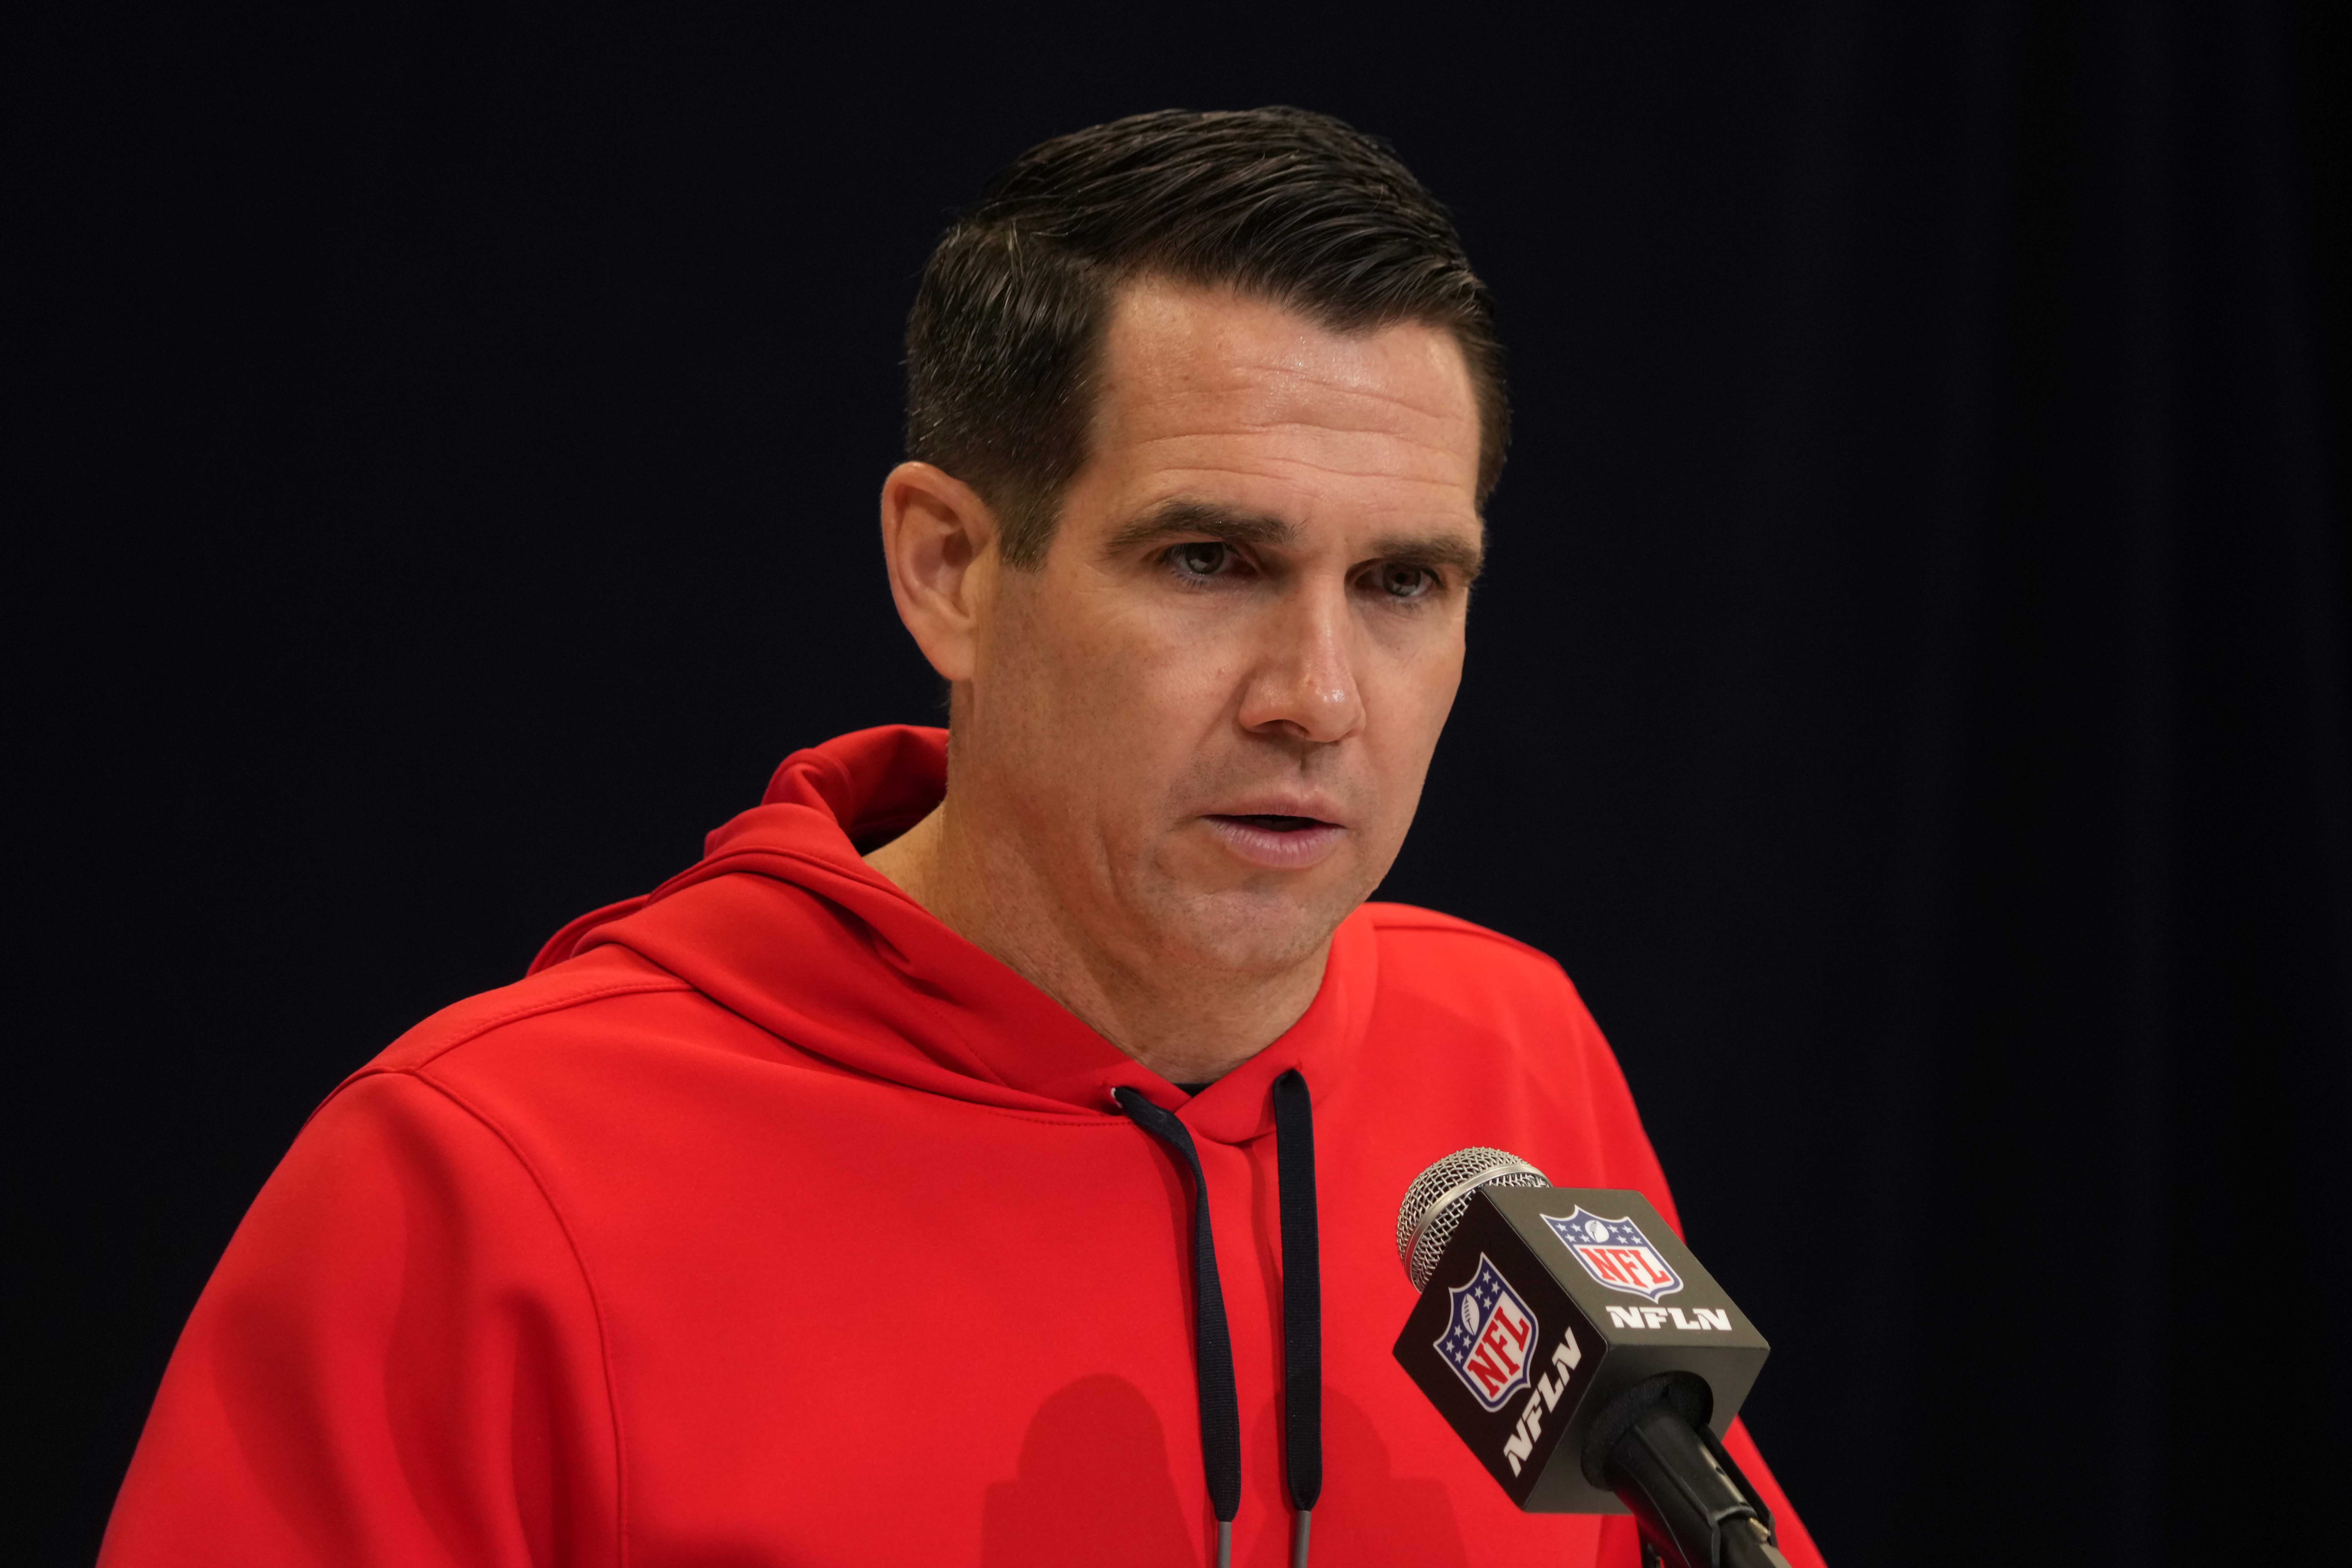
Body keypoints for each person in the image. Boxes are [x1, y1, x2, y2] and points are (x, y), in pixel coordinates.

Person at [100, 107, 1826, 1568]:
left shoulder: (1510, 1061)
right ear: (947, 569)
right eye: (1206, 562)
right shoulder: (479, 1179)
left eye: (1400, 585)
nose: (1317, 695)